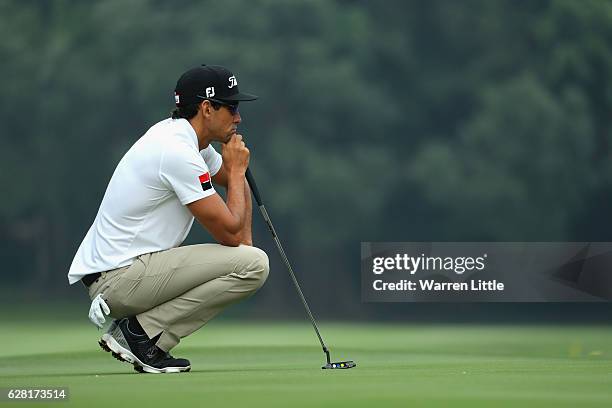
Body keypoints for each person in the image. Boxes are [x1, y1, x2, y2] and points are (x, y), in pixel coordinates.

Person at [67, 65, 269, 374]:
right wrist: (239, 171)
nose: (239, 118)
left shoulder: (184, 140)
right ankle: (143, 335)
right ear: (206, 108)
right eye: (232, 107)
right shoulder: (177, 152)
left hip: (122, 273)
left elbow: (231, 191)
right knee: (254, 265)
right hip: (119, 279)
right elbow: (233, 237)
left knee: (250, 260)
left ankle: (138, 333)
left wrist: (235, 173)